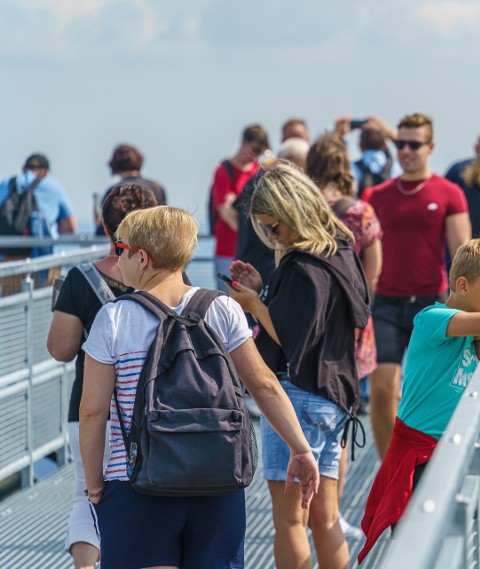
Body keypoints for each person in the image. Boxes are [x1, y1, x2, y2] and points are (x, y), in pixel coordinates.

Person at [78, 206, 319, 569]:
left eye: (121, 250)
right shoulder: (223, 308)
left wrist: (95, 485)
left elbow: (93, 411)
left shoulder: (114, 317)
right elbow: (264, 385)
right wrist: (300, 448)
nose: (118, 260)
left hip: (136, 483)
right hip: (217, 479)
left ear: (142, 257)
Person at [358, 239, 480, 562]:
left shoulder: (475, 324)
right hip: (417, 455)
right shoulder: (432, 319)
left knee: (446, 539)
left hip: (446, 448)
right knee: (415, 542)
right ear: (461, 285)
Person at [226, 164, 370, 569]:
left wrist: (253, 304)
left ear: (293, 212)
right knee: (326, 518)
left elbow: (292, 338)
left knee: (290, 519)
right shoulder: (340, 252)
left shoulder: (302, 267)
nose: (272, 236)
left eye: (275, 227)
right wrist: (263, 291)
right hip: (336, 396)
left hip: (297, 397)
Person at [47, 184, 157, 569]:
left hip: (90, 407)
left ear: (104, 225)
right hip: (151, 411)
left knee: (85, 495)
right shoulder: (167, 277)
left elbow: (60, 349)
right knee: (152, 496)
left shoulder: (79, 278)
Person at [361, 112, 471, 460]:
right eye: (400, 143)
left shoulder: (449, 192)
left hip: (431, 304)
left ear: (430, 146)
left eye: (414, 144)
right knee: (382, 389)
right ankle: (388, 466)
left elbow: (462, 255)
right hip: (386, 303)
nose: (406, 150)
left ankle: (426, 461)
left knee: (428, 392)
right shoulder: (376, 195)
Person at [305, 135, 383, 539]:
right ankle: (332, 510)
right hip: (353, 326)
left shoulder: (304, 209)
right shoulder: (360, 212)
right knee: (344, 412)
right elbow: (373, 271)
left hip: (309, 323)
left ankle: (301, 508)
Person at [209, 124, 267, 291]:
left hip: (252, 251)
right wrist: (249, 230)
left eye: (259, 152)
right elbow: (225, 211)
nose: (255, 156)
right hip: (227, 249)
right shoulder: (224, 170)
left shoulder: (258, 171)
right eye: (253, 150)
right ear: (243, 143)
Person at [0, 152, 76, 259]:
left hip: (6, 261)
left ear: (23, 168)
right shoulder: (53, 187)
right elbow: (70, 226)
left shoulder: (5, 184)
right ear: (46, 172)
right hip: (41, 262)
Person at [94, 144, 166, 235]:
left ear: (114, 164)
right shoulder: (157, 187)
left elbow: (104, 230)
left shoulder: (114, 190)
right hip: (152, 242)